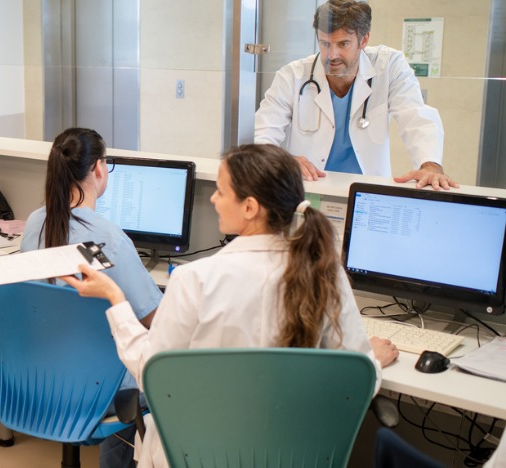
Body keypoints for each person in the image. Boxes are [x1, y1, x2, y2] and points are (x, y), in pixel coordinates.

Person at [61, 144, 399, 467]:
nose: (212, 198)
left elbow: (153, 376)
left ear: (250, 207)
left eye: (221, 191)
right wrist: (374, 364)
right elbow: (356, 379)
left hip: (196, 454)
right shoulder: (326, 275)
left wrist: (116, 300)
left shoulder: (195, 279)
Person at [21, 127, 162, 468]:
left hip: (42, 378)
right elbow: (156, 320)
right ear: (99, 169)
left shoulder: (35, 223)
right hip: (100, 391)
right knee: (157, 368)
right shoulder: (109, 240)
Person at [254, 0, 457, 190]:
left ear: (364, 39)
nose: (332, 55)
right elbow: (262, 133)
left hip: (367, 191)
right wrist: (282, 161)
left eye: (343, 44)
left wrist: (430, 165)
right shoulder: (293, 76)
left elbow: (415, 115)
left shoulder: (389, 66)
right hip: (308, 189)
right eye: (324, 44)